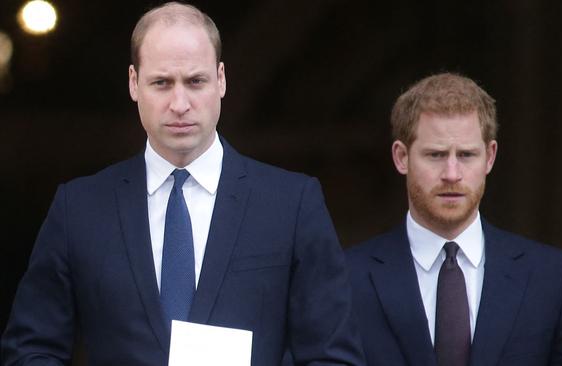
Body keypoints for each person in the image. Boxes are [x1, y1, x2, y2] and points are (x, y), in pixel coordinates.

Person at [1, 3, 364, 365]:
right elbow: (31, 349)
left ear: (221, 79)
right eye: (161, 83)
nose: (179, 103)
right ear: (133, 82)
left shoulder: (291, 203)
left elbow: (332, 356)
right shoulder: (79, 207)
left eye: (195, 81)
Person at [345, 73, 562, 366]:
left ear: (490, 157)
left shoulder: (551, 278)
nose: (452, 173)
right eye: (436, 155)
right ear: (401, 157)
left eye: (466, 155)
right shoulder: (345, 279)